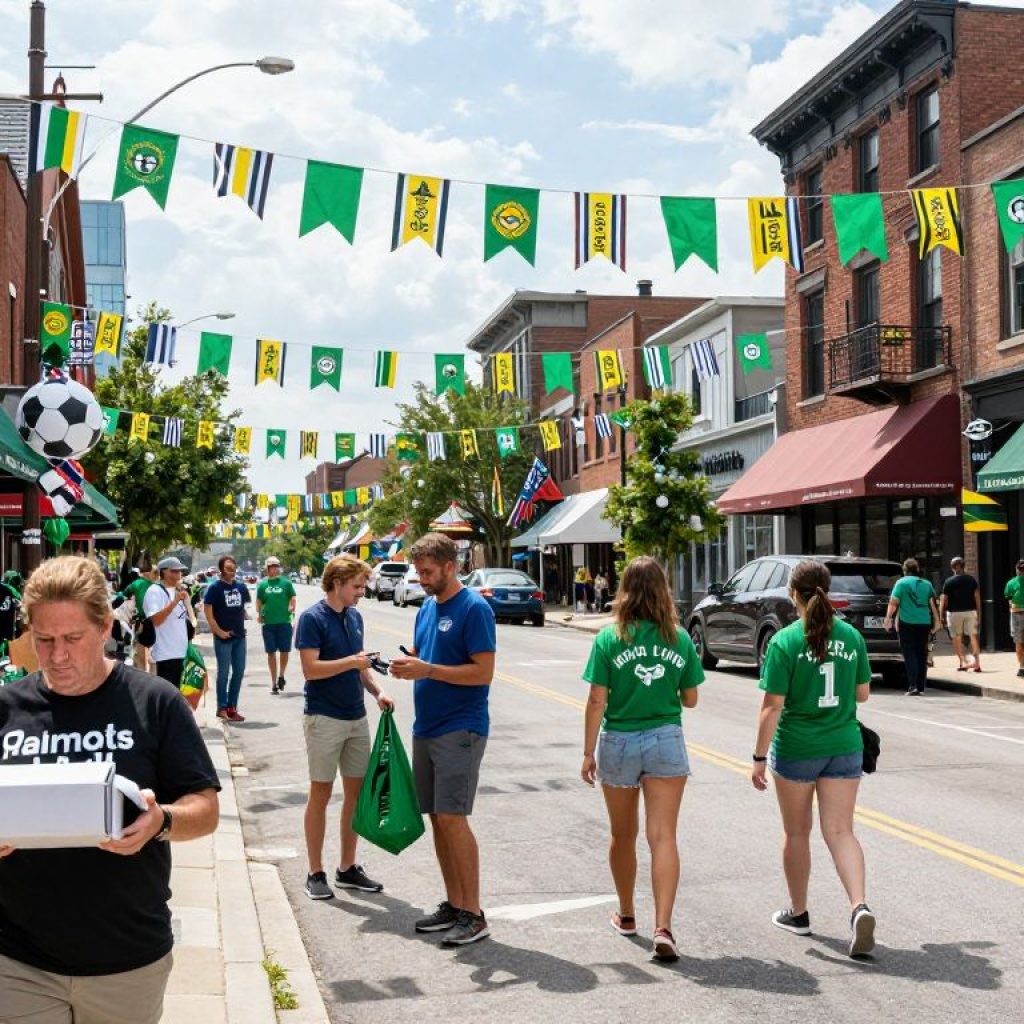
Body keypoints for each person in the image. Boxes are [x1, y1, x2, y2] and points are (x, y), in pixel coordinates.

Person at [0, 555, 220, 1024]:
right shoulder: (7, 708)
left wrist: (161, 822)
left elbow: (205, 808)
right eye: (44, 640)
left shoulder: (154, 701)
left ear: (104, 628)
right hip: (18, 960)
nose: (57, 655)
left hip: (128, 959)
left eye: (73, 639)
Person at [581, 556, 703, 962]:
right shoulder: (679, 639)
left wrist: (587, 752)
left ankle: (628, 914)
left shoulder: (609, 638)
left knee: (622, 834)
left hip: (618, 740)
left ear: (624, 590)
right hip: (666, 739)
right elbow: (691, 698)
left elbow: (597, 698)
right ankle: (663, 927)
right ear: (663, 591)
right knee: (663, 836)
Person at [752, 559, 875, 959]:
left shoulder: (785, 641)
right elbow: (861, 695)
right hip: (843, 744)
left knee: (797, 833)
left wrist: (757, 757)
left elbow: (772, 706)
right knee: (841, 832)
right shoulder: (852, 636)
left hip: (797, 748)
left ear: (793, 594)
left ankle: (799, 914)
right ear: (827, 589)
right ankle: (859, 906)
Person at [390, 533, 496, 947]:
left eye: (428, 572)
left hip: (461, 726)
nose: (422, 579)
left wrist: (428, 669)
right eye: (418, 572)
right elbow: (424, 655)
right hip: (427, 725)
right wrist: (404, 664)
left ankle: (474, 913)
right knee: (436, 816)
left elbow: (482, 672)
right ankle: (454, 903)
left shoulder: (474, 608)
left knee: (453, 817)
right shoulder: (426, 607)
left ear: (451, 567)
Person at [295, 554, 394, 901]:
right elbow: (311, 669)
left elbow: (360, 668)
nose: (361, 592)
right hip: (324, 717)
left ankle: (347, 868)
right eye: (356, 586)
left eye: (362, 586)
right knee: (320, 794)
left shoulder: (355, 618)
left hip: (356, 717)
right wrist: (353, 661)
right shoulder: (311, 618)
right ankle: (315, 872)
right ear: (337, 583)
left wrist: (378, 690)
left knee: (356, 795)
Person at [204, 555, 252, 722]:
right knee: (224, 673)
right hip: (222, 637)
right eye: (227, 567)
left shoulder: (241, 587)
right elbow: (209, 614)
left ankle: (232, 708)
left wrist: (245, 617)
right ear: (221, 569)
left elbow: (242, 608)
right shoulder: (214, 588)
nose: (231, 570)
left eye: (233, 567)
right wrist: (218, 631)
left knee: (238, 672)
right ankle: (221, 707)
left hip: (240, 636)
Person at [884, 558, 940, 695]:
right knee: (922, 654)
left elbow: (894, 603)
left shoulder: (901, 583)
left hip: (907, 623)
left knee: (910, 654)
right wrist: (938, 621)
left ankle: (913, 685)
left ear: (905, 570)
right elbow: (933, 604)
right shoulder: (927, 584)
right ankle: (921, 686)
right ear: (917, 570)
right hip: (924, 623)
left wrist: (888, 618)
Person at [142, 556, 192, 688]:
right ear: (164, 572)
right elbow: (157, 620)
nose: (178, 573)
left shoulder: (178, 591)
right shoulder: (154, 591)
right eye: (174, 571)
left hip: (182, 653)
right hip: (165, 656)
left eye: (180, 571)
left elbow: (187, 621)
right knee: (167, 698)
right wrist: (175, 602)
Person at [257, 556, 297, 694]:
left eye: (276, 566)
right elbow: (259, 600)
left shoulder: (286, 583)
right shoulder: (262, 585)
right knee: (271, 653)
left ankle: (281, 675)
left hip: (284, 622)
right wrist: (259, 613)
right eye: (271, 566)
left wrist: (292, 607)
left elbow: (292, 597)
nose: (273, 569)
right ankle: (273, 682)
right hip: (268, 624)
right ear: (267, 568)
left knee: (285, 651)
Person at [939, 556, 982, 673]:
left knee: (957, 637)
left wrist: (941, 616)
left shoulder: (948, 582)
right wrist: (978, 613)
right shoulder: (971, 580)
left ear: (953, 567)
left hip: (954, 613)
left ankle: (963, 662)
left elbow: (944, 600)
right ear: (964, 566)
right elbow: (977, 598)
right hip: (971, 612)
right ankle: (977, 663)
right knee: (973, 636)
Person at [113, 566, 158, 671]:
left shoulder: (137, 584)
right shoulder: (158, 587)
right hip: (157, 622)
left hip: (142, 622)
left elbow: (123, 596)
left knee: (141, 654)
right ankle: (151, 676)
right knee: (151, 656)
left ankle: (143, 678)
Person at [1005, 559, 1024, 678]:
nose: (1022, 572)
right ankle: (1022, 666)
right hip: (1016, 614)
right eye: (1020, 569)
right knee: (1018, 641)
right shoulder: (1011, 583)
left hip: (1017, 613)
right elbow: (1009, 597)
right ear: (1016, 569)